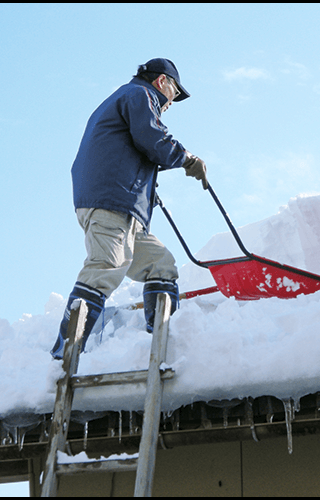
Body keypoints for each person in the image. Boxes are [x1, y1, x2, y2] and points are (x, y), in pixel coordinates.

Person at [50, 58, 208, 359]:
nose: (172, 102)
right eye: (175, 91)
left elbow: (133, 148)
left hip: (123, 205)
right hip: (113, 202)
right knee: (105, 267)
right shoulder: (140, 95)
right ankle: (63, 357)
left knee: (161, 264)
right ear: (163, 82)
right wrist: (186, 158)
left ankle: (162, 345)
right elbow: (152, 137)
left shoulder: (125, 98)